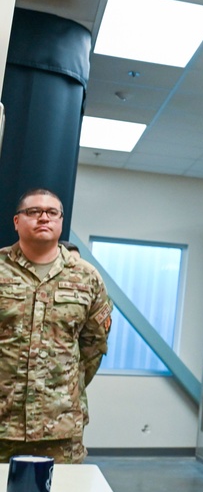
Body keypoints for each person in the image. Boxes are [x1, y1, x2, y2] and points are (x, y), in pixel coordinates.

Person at [0, 188, 113, 463]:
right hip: (2, 420)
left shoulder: (87, 277)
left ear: (61, 221)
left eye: (52, 213)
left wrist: (61, 388)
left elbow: (93, 347)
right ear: (17, 221)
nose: (43, 218)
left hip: (59, 426)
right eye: (33, 212)